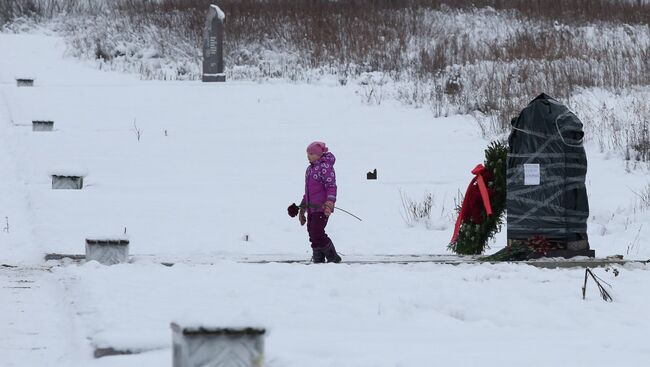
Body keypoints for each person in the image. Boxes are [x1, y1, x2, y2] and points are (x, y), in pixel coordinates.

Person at [288, 141, 341, 263]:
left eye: (311, 153)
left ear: (319, 154)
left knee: (317, 231)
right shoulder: (309, 169)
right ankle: (318, 258)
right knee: (312, 233)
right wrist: (302, 208)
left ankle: (333, 257)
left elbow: (331, 186)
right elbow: (308, 192)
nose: (309, 156)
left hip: (322, 207)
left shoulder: (325, 167)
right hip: (312, 208)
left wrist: (330, 203)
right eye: (307, 153)